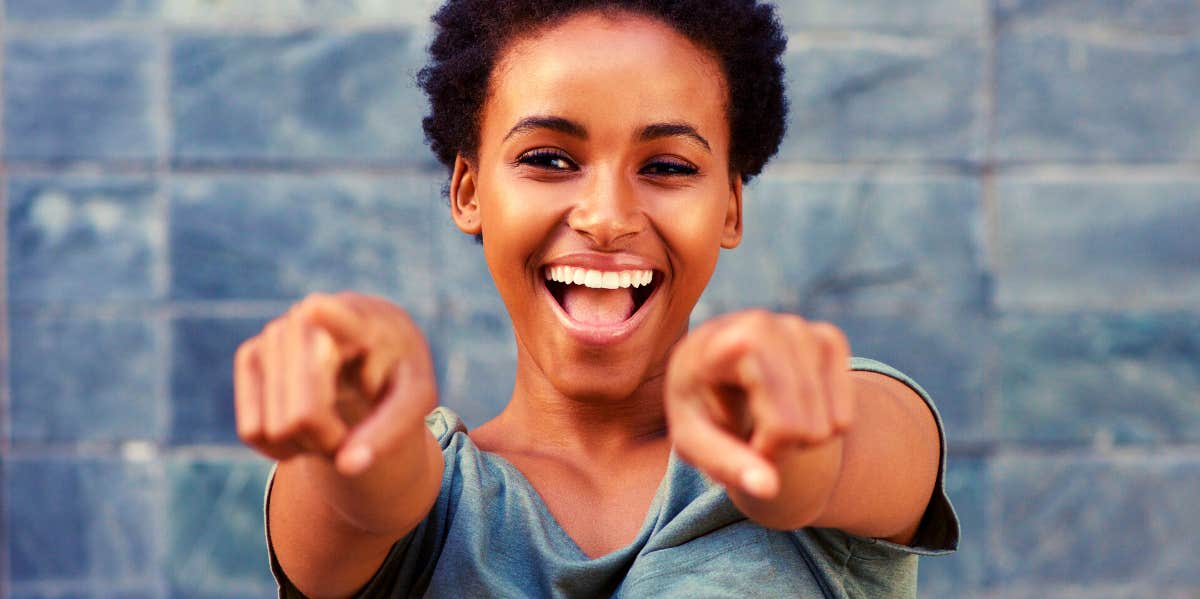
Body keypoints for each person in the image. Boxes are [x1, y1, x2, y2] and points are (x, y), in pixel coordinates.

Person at [233, 1, 959, 597]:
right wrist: (363, 424)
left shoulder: (836, 411)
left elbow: (854, 451)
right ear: (469, 189)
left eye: (668, 166)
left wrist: (798, 460)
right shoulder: (422, 499)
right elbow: (362, 497)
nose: (607, 216)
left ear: (730, 207)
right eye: (549, 159)